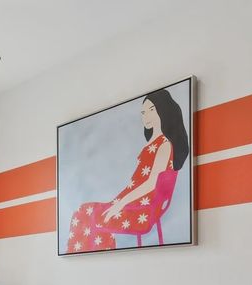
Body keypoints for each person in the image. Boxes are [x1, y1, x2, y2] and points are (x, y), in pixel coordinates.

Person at [65, 89, 189, 253]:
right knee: (83, 212)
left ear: (162, 110)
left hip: (141, 209)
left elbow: (151, 183)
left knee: (86, 215)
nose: (146, 116)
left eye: (151, 110)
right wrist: (117, 203)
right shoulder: (152, 143)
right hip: (130, 202)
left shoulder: (164, 145)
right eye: (143, 112)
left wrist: (120, 204)